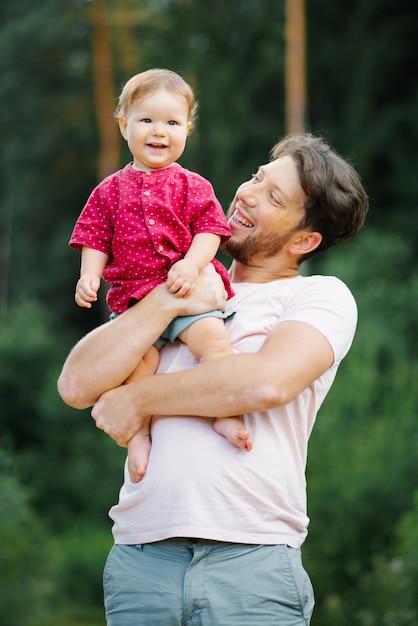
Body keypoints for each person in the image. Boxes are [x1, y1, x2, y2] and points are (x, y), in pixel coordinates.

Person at [58, 132, 369, 625]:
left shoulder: (319, 298)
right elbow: (76, 385)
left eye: (273, 197)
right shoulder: (172, 283)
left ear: (304, 241)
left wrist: (136, 400)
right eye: (255, 178)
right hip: (142, 562)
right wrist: (168, 299)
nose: (246, 193)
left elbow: (265, 383)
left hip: (251, 562)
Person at [69, 68, 251, 483]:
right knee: (137, 370)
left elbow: (210, 230)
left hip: (185, 291)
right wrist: (90, 276)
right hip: (134, 303)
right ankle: (138, 437)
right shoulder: (109, 191)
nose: (159, 131)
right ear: (124, 125)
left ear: (187, 128)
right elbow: (94, 236)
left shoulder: (193, 184)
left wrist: (190, 263)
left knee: (214, 343)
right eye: (146, 120)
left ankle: (225, 413)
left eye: (172, 122)